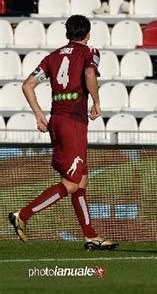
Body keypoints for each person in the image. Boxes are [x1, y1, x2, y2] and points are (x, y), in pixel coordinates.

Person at [8, 15, 118, 251]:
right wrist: (97, 102)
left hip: (57, 119)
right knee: (70, 183)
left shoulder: (53, 56)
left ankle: (91, 236)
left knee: (81, 181)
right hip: (73, 123)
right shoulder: (90, 52)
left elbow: (27, 85)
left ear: (67, 34)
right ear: (88, 34)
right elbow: (89, 75)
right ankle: (23, 215)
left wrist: (39, 115)